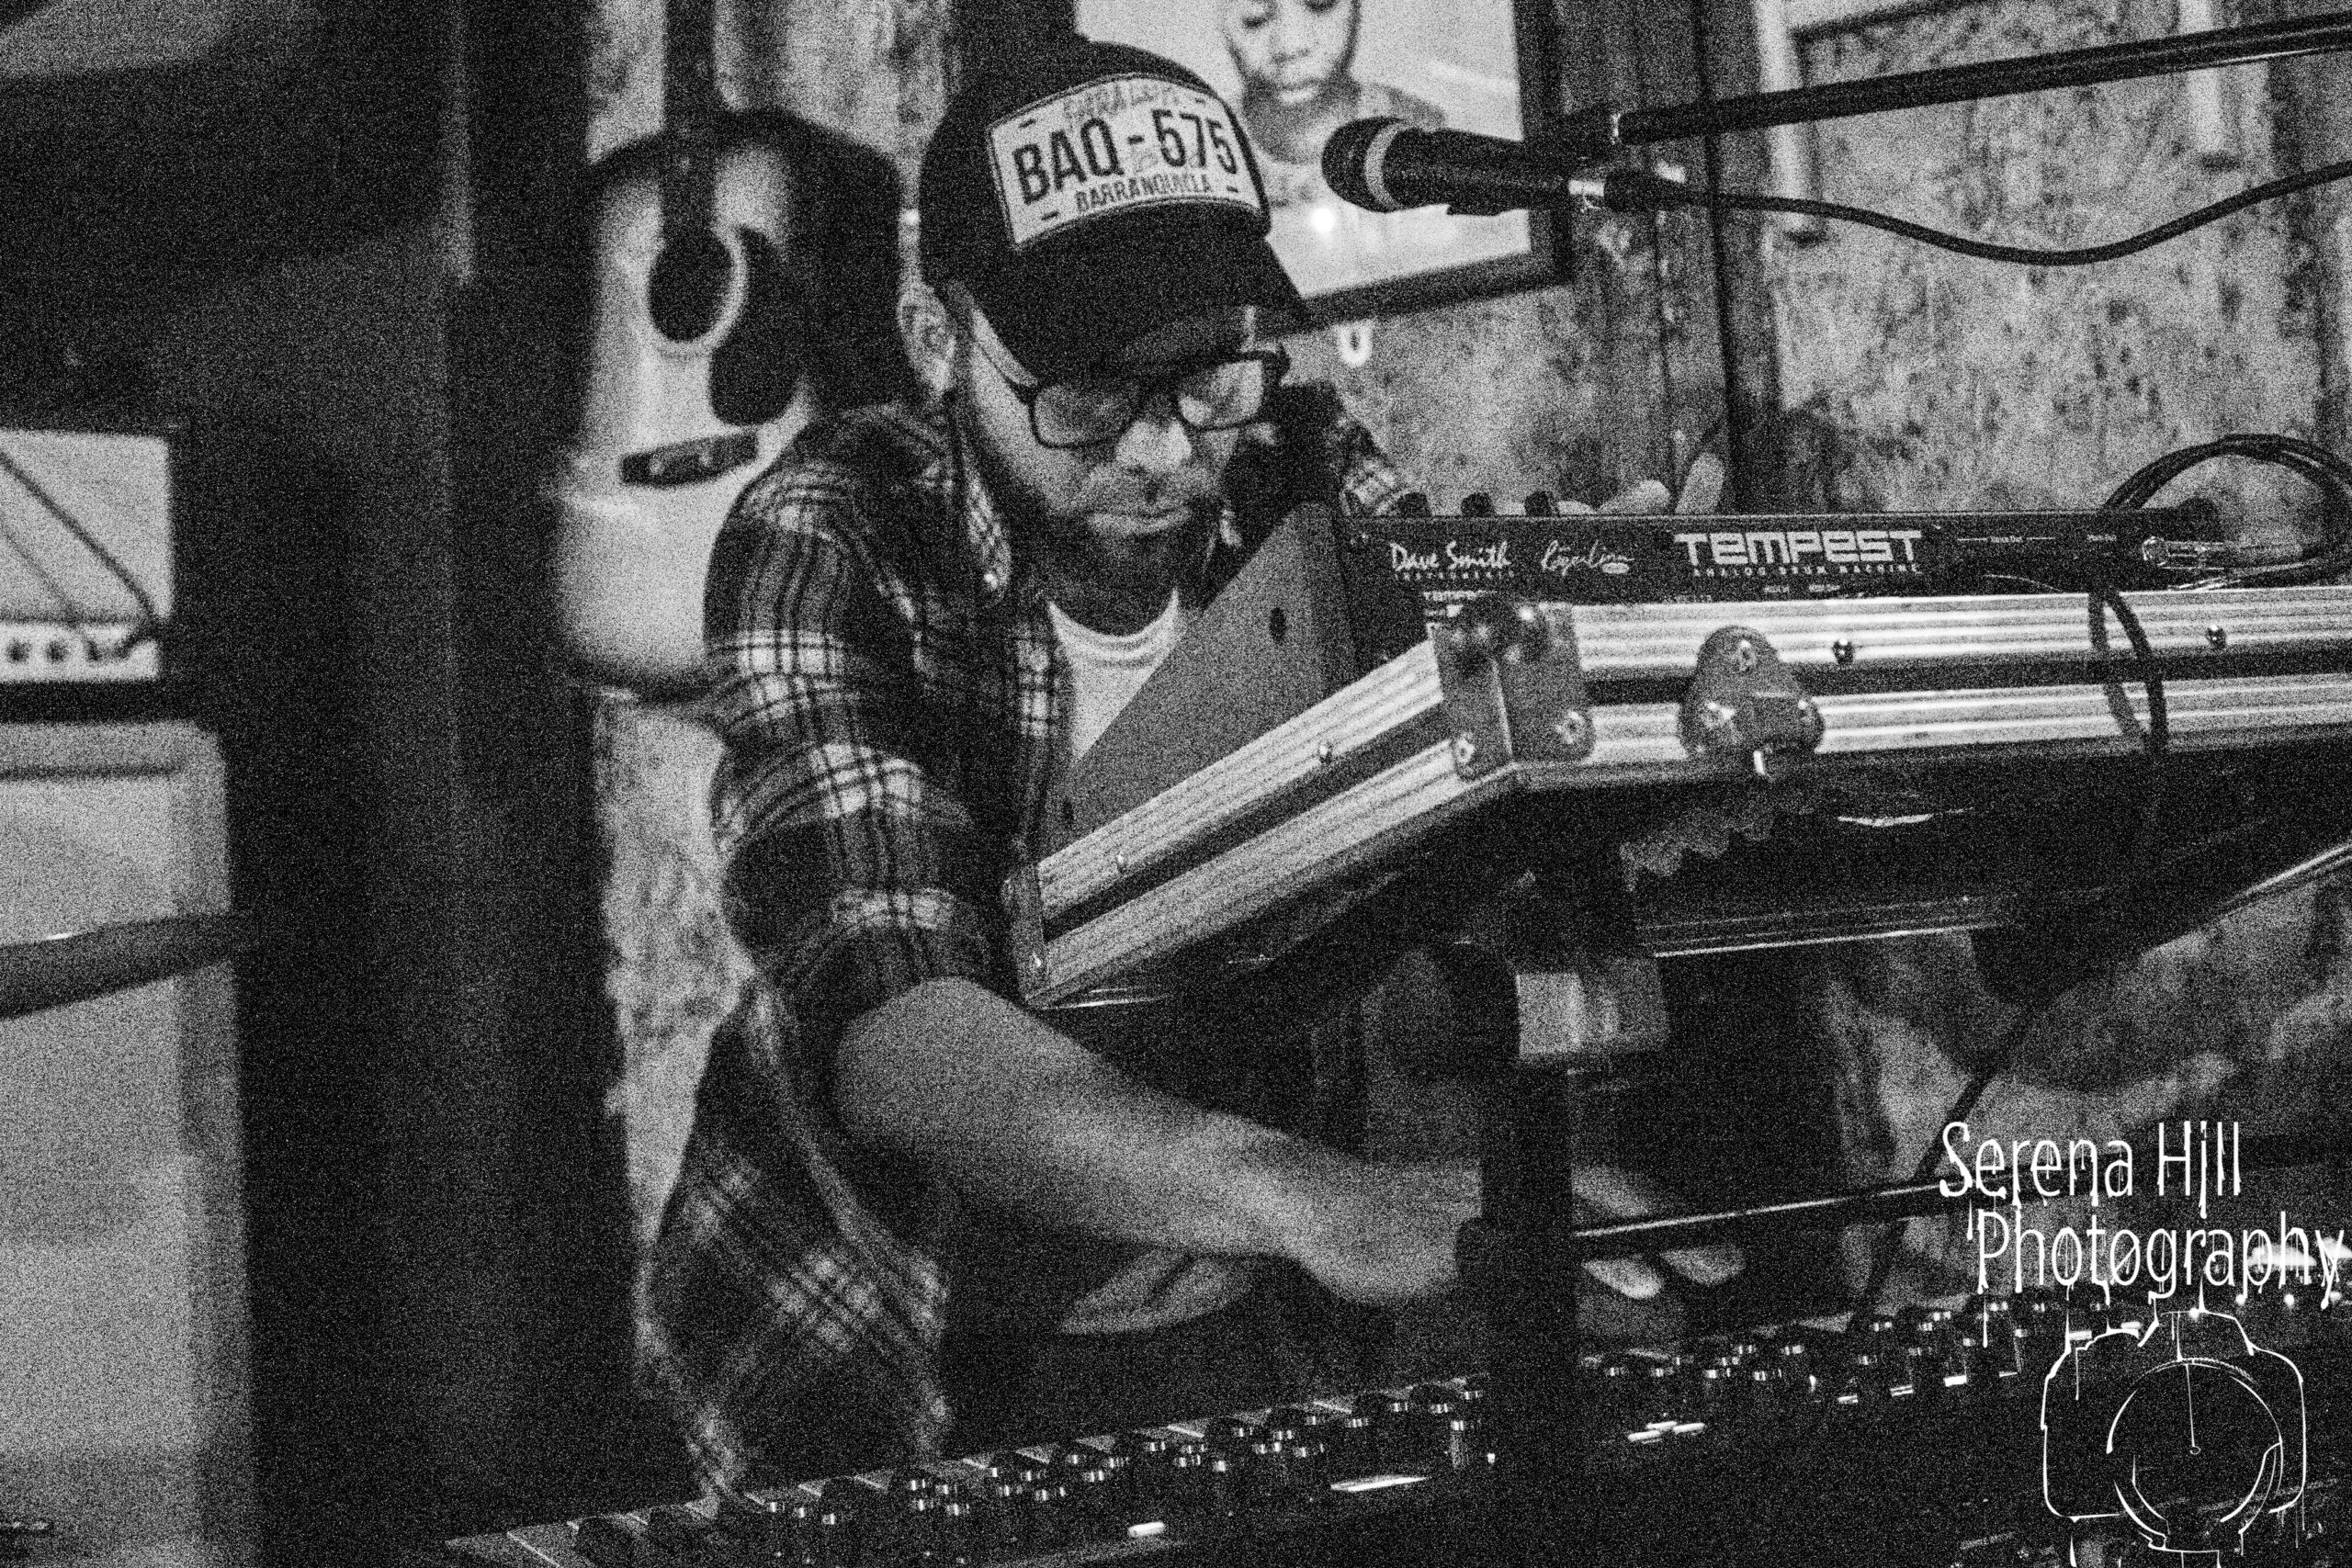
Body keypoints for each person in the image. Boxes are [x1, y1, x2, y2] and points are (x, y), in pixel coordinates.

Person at [639, 35, 1735, 1490]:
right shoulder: (835, 531)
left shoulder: (1296, 463)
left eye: (1210, 373)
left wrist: (1603, 680)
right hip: (892, 1332)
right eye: (1089, 395)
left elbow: (1449, 829)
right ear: (936, 338)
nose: (1162, 452)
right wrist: (1309, 1196)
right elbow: (895, 1025)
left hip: (1241, 1292)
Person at [1220, 0, 1444, 211]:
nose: (1290, 47)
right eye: (1255, 18)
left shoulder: (1423, 131)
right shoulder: (1209, 144)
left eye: (1320, 4)